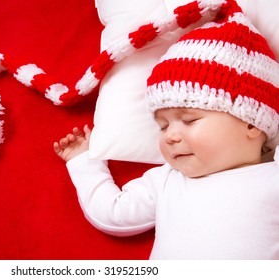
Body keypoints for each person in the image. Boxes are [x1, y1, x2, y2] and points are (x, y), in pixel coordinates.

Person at [53, 2, 279, 259]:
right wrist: (84, 162)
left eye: (190, 120)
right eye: (163, 126)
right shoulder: (166, 180)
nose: (170, 135)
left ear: (251, 123)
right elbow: (112, 214)